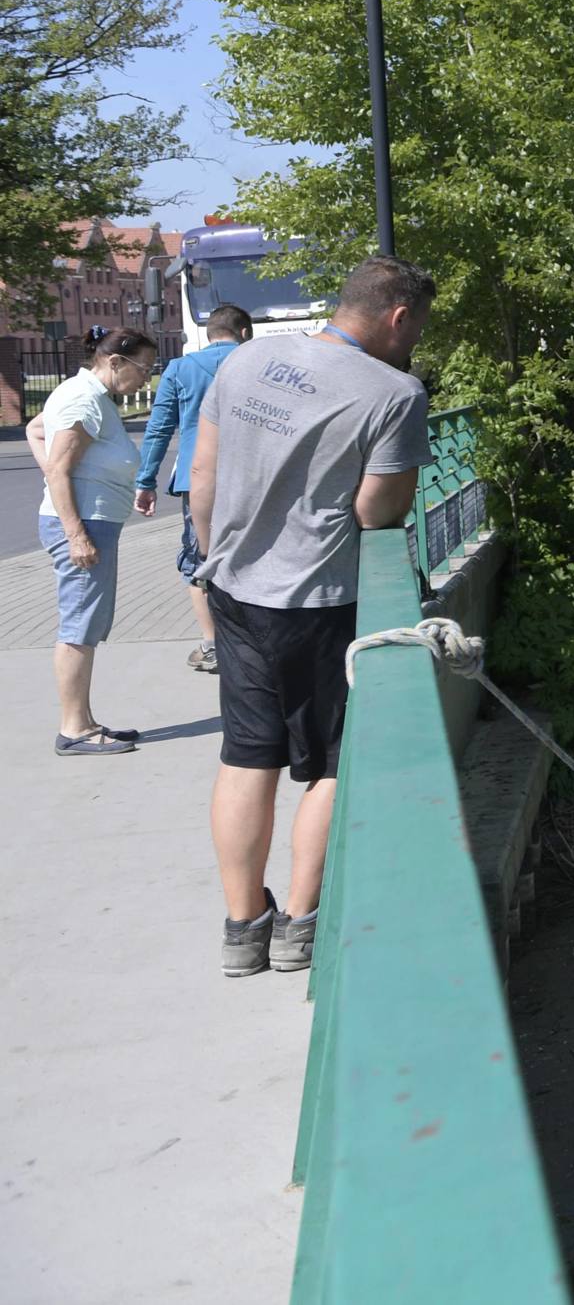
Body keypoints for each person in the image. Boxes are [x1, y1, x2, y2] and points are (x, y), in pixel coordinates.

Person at [192, 257, 433, 977]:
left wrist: (216, 564)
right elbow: (374, 509)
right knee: (330, 761)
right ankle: (302, 922)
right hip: (318, 602)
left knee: (246, 753)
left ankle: (243, 927)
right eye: (417, 324)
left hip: (234, 590)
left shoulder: (246, 359)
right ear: (398, 317)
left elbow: (202, 475)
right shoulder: (396, 391)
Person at [35, 328, 161, 753]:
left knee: (86, 623)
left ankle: (85, 722)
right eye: (143, 368)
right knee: (79, 625)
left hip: (92, 520)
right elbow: (58, 468)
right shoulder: (83, 399)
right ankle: (74, 730)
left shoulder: (86, 395)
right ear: (115, 362)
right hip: (83, 525)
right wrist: (76, 535)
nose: (145, 378)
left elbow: (37, 432)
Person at [135, 303, 252, 673]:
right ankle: (254, 640)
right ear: (244, 332)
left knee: (199, 559)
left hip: (196, 480)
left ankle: (213, 644)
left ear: (208, 333)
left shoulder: (180, 369)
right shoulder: (256, 363)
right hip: (253, 475)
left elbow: (158, 429)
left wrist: (145, 481)